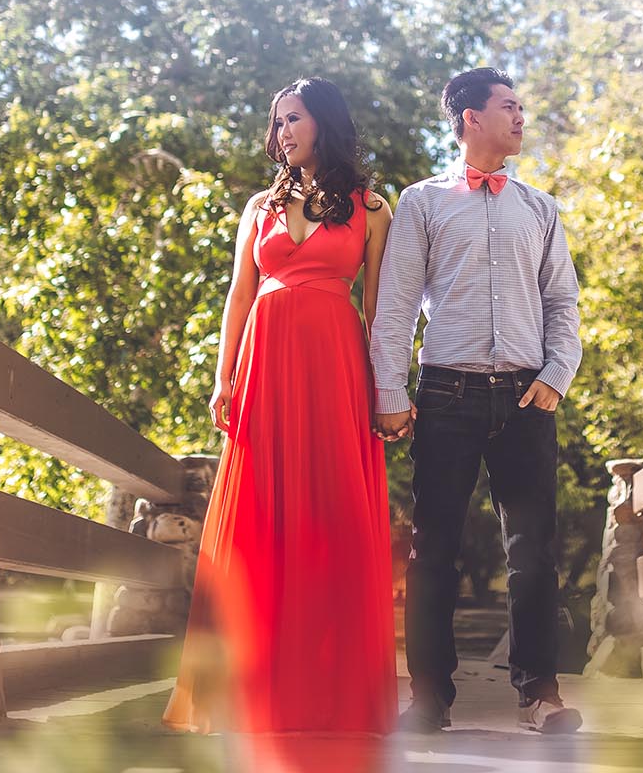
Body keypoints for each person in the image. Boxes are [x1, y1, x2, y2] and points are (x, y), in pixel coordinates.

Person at [163, 77, 397, 760]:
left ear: (322, 122)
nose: (281, 132)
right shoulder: (258, 207)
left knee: (335, 519)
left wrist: (388, 394)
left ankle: (333, 692)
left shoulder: (373, 207)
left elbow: (381, 313)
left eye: (292, 119)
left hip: (335, 372)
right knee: (260, 519)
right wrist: (222, 375)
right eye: (276, 123)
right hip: (265, 371)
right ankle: (249, 687)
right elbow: (239, 294)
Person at [368, 67, 585, 735]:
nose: (521, 117)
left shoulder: (540, 208)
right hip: (445, 395)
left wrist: (558, 372)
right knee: (434, 551)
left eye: (521, 107)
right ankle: (428, 697)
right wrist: (390, 391)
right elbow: (398, 302)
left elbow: (562, 300)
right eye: (509, 106)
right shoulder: (423, 202)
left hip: (526, 398)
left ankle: (539, 694)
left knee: (534, 552)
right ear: (469, 117)